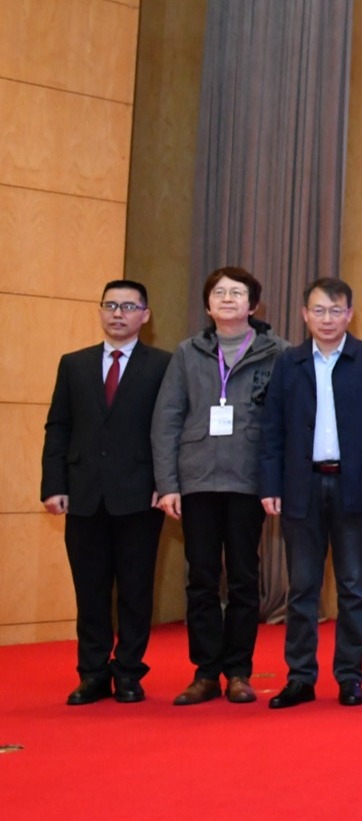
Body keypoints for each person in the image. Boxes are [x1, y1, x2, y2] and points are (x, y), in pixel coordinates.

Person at [258, 278, 362, 708]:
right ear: (305, 314)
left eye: (336, 311)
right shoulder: (289, 362)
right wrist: (270, 485)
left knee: (353, 587)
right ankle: (300, 677)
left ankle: (350, 677)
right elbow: (272, 430)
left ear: (349, 314)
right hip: (300, 487)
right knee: (302, 587)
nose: (327, 319)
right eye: (318, 310)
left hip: (355, 487)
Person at [151, 266, 288, 705]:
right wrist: (168, 484)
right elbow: (167, 420)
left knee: (245, 578)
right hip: (197, 481)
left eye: (237, 293)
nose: (227, 299)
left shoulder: (279, 353)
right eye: (219, 293)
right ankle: (206, 672)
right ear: (208, 305)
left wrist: (279, 481)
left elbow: (289, 423)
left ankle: (239, 672)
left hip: (249, 481)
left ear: (254, 305)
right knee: (202, 578)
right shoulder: (187, 353)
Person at [42, 280, 172, 705]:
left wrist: (166, 484)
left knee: (135, 591)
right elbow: (58, 427)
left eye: (129, 307)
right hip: (83, 494)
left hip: (141, 495)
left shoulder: (163, 365)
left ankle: (129, 672)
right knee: (90, 591)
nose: (118, 313)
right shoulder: (74, 364)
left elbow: (169, 430)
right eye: (111, 305)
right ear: (100, 311)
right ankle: (93, 673)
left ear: (145, 316)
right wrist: (54, 485)